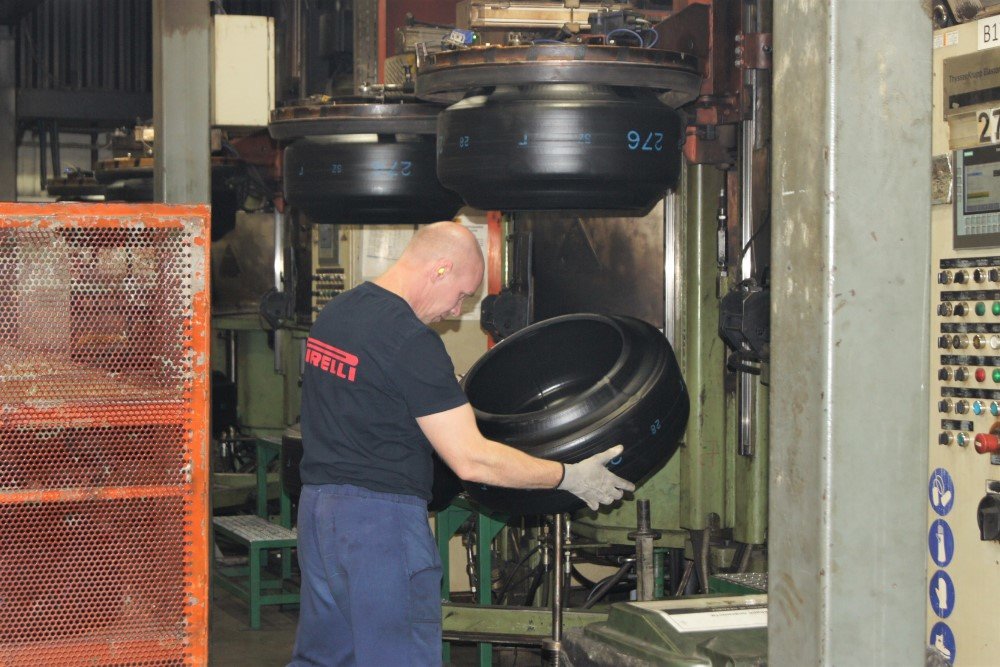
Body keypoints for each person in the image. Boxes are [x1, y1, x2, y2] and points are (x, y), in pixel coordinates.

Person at [289, 221, 634, 666]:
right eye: (462, 295)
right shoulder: (411, 341)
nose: (456, 311)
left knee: (324, 658)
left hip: (320, 516)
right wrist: (569, 476)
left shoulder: (338, 313)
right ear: (440, 269)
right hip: (380, 529)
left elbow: (367, 400)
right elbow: (471, 460)